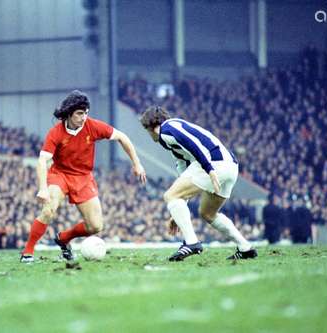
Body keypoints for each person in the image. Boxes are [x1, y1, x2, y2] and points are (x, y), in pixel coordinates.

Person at [20, 90, 146, 263]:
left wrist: (136, 163)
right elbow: (42, 161)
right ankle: (28, 252)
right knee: (49, 210)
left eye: (86, 113)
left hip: (84, 178)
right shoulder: (55, 133)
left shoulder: (92, 126)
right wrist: (43, 188)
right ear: (69, 113)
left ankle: (63, 238)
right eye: (79, 113)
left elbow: (122, 137)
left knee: (95, 226)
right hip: (60, 175)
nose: (83, 117)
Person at [140, 106, 257, 261]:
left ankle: (191, 242)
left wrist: (210, 170)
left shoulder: (168, 128)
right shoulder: (170, 138)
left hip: (214, 163)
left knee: (169, 195)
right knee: (207, 213)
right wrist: (179, 206)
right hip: (230, 166)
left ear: (150, 127)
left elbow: (194, 145)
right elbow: (183, 170)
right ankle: (245, 247)